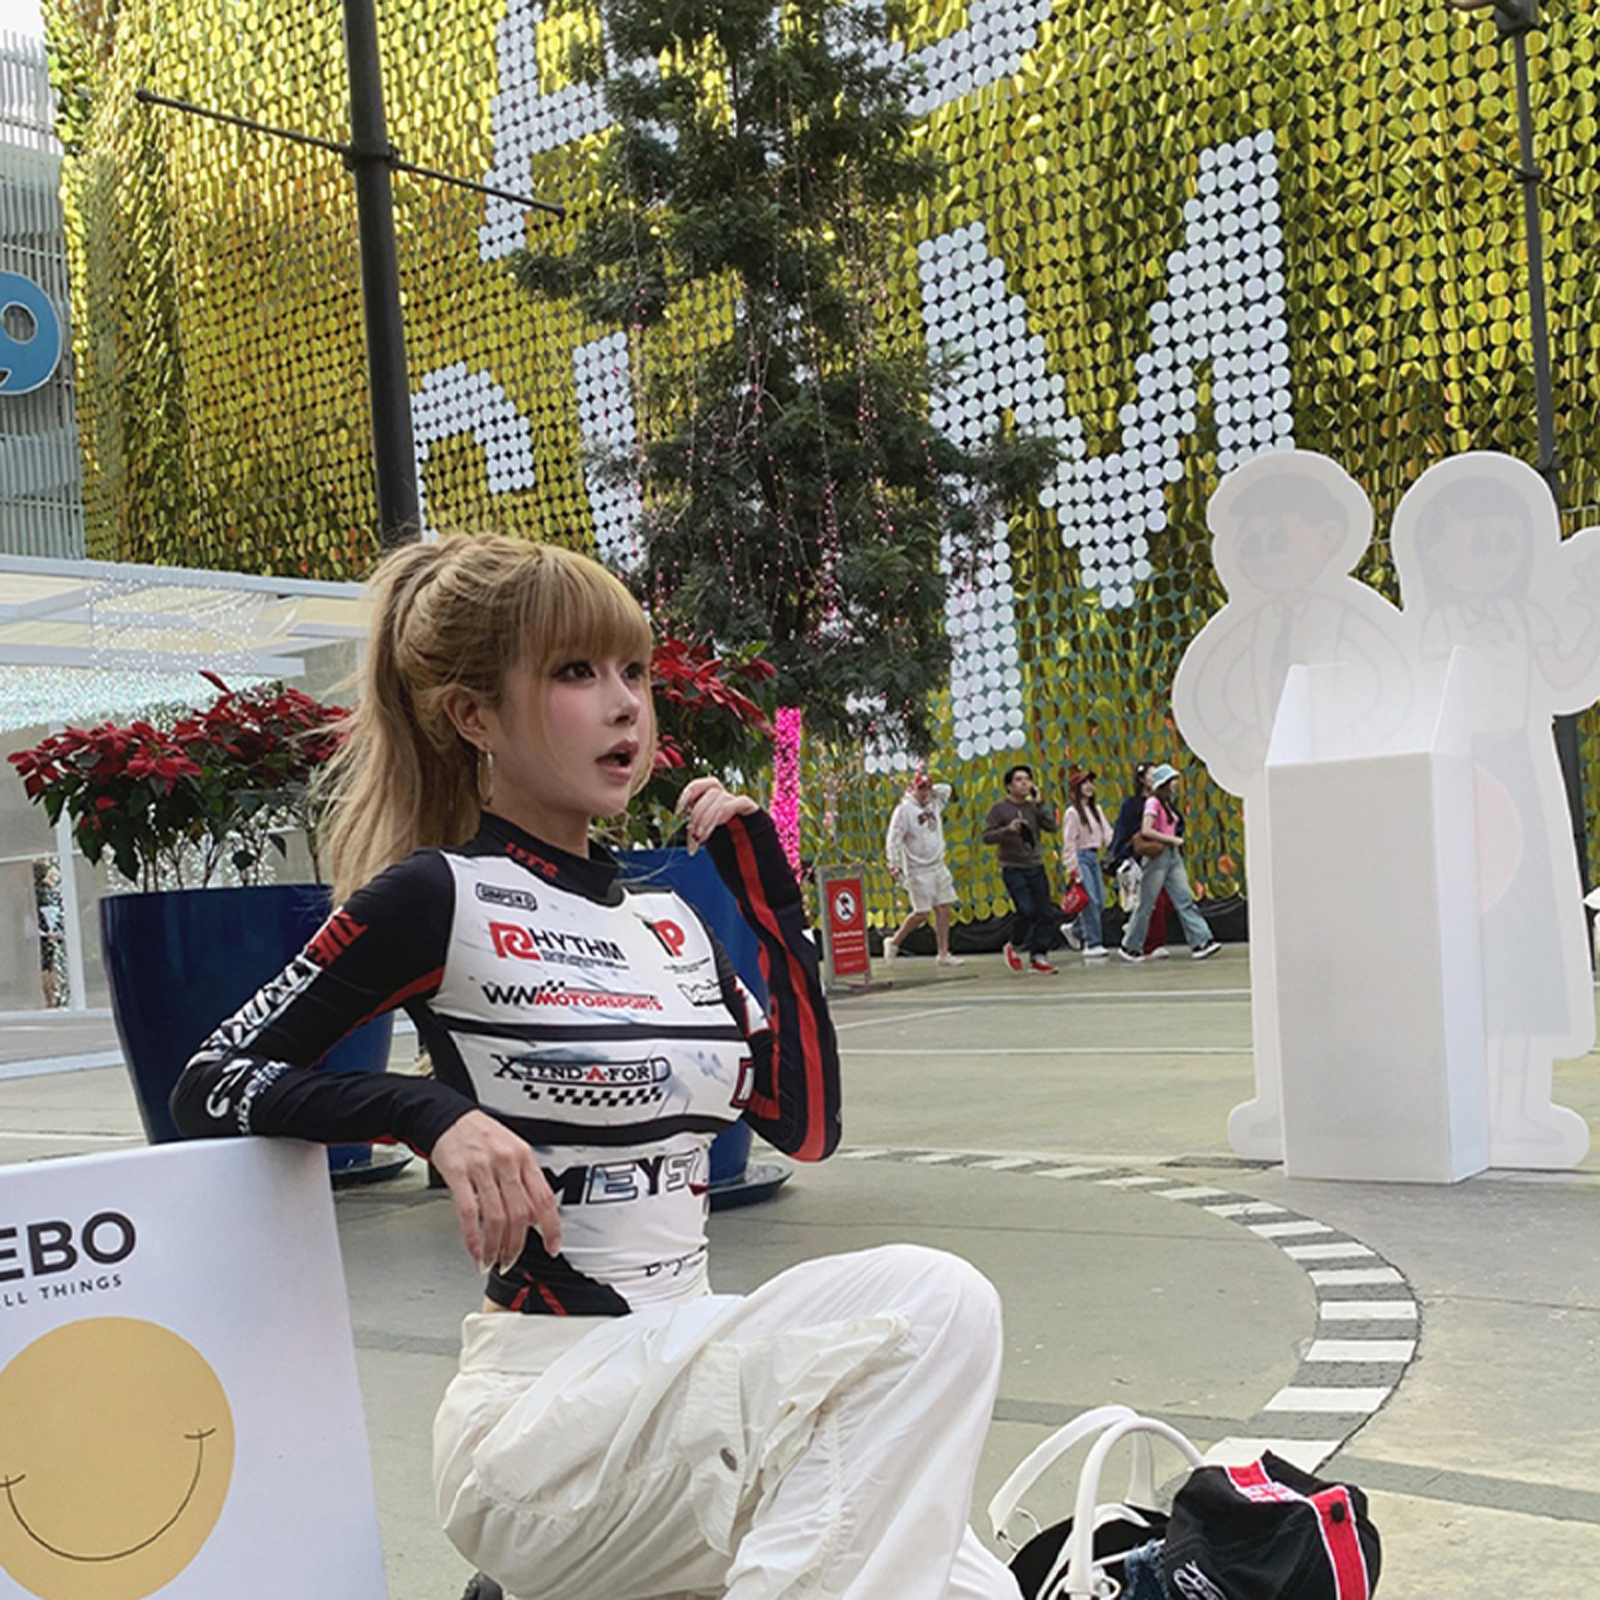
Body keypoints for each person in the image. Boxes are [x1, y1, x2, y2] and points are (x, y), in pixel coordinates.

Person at [169, 535, 1016, 1600]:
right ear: (474, 716)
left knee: (974, 1586)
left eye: (634, 673)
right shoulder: (435, 895)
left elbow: (806, 1126)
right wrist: (426, 1112)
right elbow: (209, 1081)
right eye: (576, 673)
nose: (625, 706)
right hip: (547, 1415)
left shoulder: (670, 923)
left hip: (687, 1373)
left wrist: (770, 903)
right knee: (936, 1299)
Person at [1118, 764, 1221, 963]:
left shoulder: (1166, 803)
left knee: (1184, 899)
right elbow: (1146, 829)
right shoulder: (1153, 803)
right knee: (1146, 903)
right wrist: (1171, 839)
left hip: (1172, 855)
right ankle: (1130, 946)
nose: (1175, 784)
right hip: (1158, 856)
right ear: (1164, 783)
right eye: (1172, 780)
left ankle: (1201, 941)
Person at [982, 762, 1059, 974]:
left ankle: (1039, 956)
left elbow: (1051, 826)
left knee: (1046, 912)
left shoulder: (1032, 807)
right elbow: (987, 837)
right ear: (1009, 786)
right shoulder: (1000, 809)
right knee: (1027, 909)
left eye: (1027, 779)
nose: (1024, 784)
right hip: (1013, 867)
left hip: (1035, 865)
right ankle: (1014, 945)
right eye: (1019, 780)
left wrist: (1040, 804)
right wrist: (1008, 830)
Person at [883, 771, 964, 966]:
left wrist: (930, 789)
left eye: (928, 788)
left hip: (938, 864)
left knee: (943, 907)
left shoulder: (935, 803)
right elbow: (894, 839)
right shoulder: (904, 810)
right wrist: (893, 863)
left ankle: (943, 953)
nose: (926, 792)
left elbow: (946, 789)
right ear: (912, 788)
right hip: (918, 869)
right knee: (921, 913)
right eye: (921, 788)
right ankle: (894, 941)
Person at [1106, 763, 1171, 958]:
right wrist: (1122, 853)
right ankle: (1153, 944)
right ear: (1142, 779)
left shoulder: (1165, 802)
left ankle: (1135, 927)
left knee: (1167, 900)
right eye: (1151, 774)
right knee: (1153, 901)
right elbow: (1122, 831)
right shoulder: (1132, 805)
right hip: (1140, 856)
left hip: (1162, 854)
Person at [1060, 769, 1113, 958]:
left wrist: (1116, 847)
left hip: (1093, 857)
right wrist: (1072, 867)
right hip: (1081, 857)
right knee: (1090, 900)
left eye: (1090, 783)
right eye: (1084, 784)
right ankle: (1092, 943)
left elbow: (1107, 833)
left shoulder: (1096, 809)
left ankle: (1075, 928)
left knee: (1100, 901)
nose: (1089, 787)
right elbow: (1069, 842)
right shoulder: (1072, 813)